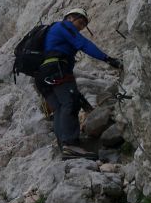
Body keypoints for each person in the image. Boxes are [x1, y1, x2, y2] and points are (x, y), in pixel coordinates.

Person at [35, 8, 122, 158]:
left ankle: (65, 147)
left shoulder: (52, 33)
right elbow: (84, 44)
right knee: (69, 103)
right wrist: (108, 59)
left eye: (83, 25)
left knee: (59, 109)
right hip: (57, 69)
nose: (80, 27)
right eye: (80, 22)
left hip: (43, 75)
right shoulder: (64, 26)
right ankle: (71, 145)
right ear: (70, 18)